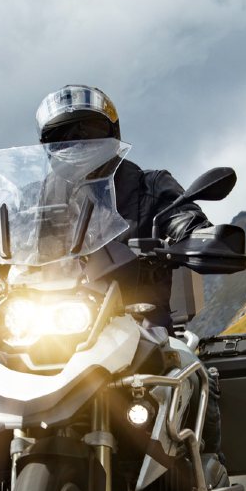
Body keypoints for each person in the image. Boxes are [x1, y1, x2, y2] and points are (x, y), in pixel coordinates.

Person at [34, 85, 211, 331]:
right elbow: (12, 245)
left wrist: (195, 234)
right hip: (56, 329)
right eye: (63, 140)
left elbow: (182, 216)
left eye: (88, 133)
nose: (77, 146)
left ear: (112, 135)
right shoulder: (40, 205)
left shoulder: (149, 185)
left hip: (142, 328)